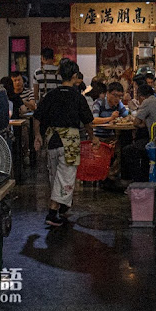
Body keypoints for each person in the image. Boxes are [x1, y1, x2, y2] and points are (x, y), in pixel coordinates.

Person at [33, 58, 95, 227]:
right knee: (66, 178)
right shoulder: (78, 97)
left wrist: (37, 135)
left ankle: (62, 209)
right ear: (75, 76)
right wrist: (92, 137)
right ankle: (52, 213)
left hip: (52, 140)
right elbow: (88, 122)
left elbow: (37, 116)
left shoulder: (50, 95)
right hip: (70, 142)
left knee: (55, 177)